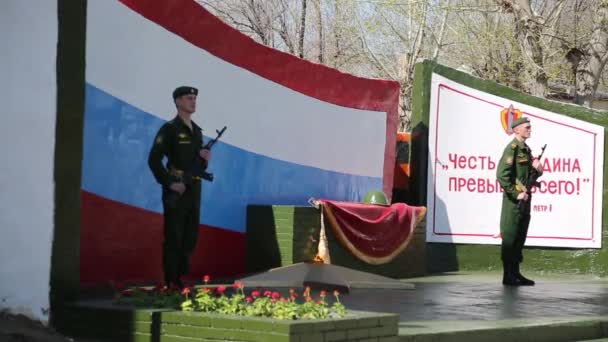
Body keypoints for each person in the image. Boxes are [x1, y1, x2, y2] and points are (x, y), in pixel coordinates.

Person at [148, 86, 211, 289]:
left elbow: (197, 165)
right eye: (188, 98)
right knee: (174, 235)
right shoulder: (169, 129)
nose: (193, 101)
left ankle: (180, 274)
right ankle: (171, 280)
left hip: (194, 189)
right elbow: (154, 160)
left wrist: (204, 160)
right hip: (176, 189)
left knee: (190, 235)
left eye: (194, 98)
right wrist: (170, 183)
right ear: (178, 102)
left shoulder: (197, 131)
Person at [496, 117, 543, 286]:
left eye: (530, 127)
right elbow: (502, 175)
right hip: (513, 202)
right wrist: (516, 194)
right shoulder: (513, 149)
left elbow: (529, 175)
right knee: (510, 237)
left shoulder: (526, 150)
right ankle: (508, 275)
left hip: (526, 200)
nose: (530, 129)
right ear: (516, 130)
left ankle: (515, 273)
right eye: (527, 127)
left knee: (520, 236)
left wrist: (538, 169)